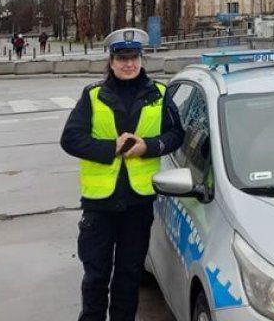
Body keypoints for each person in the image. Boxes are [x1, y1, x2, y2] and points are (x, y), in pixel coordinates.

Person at [60, 27, 185, 321]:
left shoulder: (160, 94)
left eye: (133, 57)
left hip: (138, 205)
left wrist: (149, 146)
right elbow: (70, 139)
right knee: (96, 276)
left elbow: (176, 135)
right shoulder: (93, 96)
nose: (128, 64)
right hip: (100, 205)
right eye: (122, 58)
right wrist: (110, 148)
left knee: (129, 276)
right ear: (111, 61)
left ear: (141, 59)